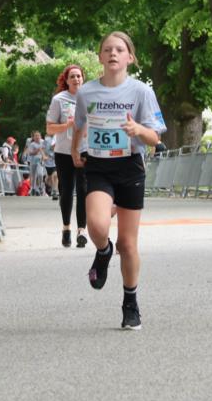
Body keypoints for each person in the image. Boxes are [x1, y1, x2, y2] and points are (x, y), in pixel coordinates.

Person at [72, 31, 165, 331]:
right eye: (107, 49)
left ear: (130, 58)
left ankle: (131, 302)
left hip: (129, 167)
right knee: (96, 225)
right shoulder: (87, 92)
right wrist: (75, 150)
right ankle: (102, 251)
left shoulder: (141, 92)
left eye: (120, 49)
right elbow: (79, 125)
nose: (113, 53)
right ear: (99, 57)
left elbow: (155, 137)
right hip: (99, 165)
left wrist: (137, 129)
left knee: (128, 243)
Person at [47, 64, 88, 247]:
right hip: (63, 151)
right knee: (66, 192)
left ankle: (82, 230)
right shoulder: (59, 100)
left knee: (83, 190)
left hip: (84, 150)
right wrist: (67, 125)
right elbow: (49, 128)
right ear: (66, 80)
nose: (76, 79)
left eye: (79, 76)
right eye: (72, 76)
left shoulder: (89, 98)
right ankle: (66, 228)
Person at [23, 132, 45, 196]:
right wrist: (37, 150)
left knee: (40, 174)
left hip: (40, 161)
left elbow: (46, 152)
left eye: (38, 135)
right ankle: (33, 188)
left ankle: (40, 187)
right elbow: (31, 153)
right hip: (33, 161)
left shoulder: (43, 142)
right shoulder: (32, 144)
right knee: (33, 176)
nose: (37, 137)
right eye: (36, 136)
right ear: (34, 137)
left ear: (40, 136)